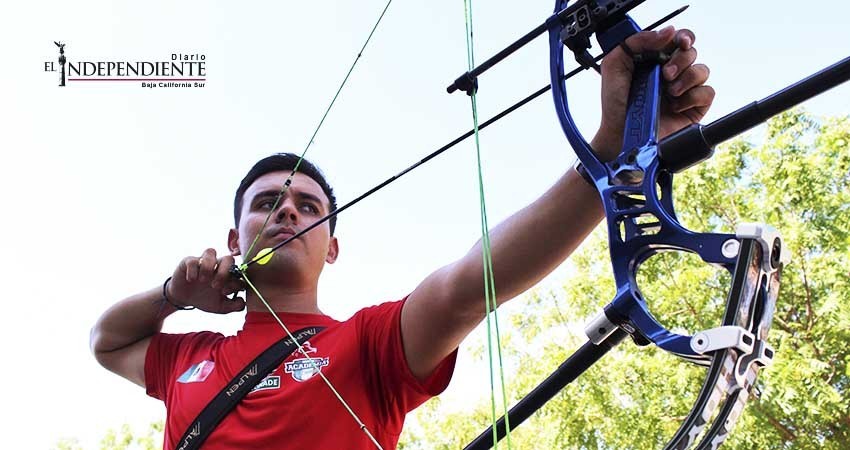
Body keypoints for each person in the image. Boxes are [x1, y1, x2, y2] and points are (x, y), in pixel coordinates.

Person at [90, 27, 714, 449]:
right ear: (235, 236)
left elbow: (470, 283)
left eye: (308, 206)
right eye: (268, 203)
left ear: (331, 246)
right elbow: (105, 340)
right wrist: (175, 293)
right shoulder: (188, 359)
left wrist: (610, 151)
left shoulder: (368, 345)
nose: (287, 212)